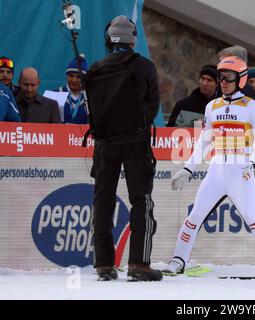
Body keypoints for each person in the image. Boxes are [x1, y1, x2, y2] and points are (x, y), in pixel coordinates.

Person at [165, 56, 255, 275]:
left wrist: (252, 162)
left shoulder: (252, 107)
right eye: (220, 77)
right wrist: (188, 168)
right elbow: (204, 140)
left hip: (240, 169)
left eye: (229, 77)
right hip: (217, 169)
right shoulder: (212, 106)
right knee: (194, 215)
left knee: (251, 217)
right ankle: (178, 260)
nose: (223, 82)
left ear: (241, 79)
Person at [85, 15, 161, 281]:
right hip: (135, 142)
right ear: (132, 40)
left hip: (104, 144)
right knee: (141, 201)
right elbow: (153, 107)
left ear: (109, 39)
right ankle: (139, 264)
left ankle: (103, 263)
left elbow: (91, 111)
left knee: (103, 202)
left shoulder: (93, 69)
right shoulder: (145, 67)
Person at [54, 55, 88, 124]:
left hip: (83, 135)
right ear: (67, 76)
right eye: (71, 76)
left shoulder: (89, 97)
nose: (74, 80)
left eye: (78, 76)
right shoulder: (55, 94)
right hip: (59, 134)